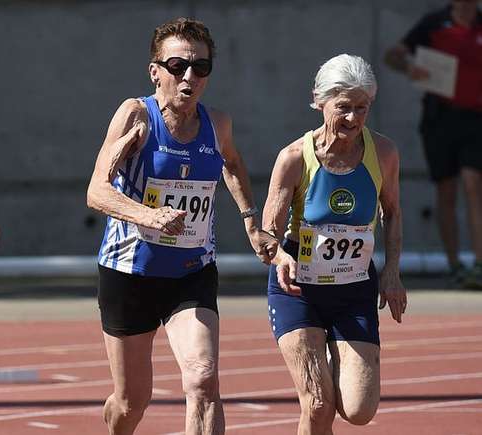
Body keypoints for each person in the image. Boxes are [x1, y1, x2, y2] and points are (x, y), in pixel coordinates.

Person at [86, 17, 275, 435]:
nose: (189, 76)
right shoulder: (135, 115)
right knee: (131, 401)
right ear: (155, 71)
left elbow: (234, 164)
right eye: (177, 66)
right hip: (129, 274)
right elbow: (96, 192)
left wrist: (250, 220)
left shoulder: (217, 124)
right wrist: (148, 215)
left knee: (204, 379)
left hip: (191, 273)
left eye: (201, 68)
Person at [262, 54, 407, 433]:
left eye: (362, 108)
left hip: (354, 289)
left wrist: (391, 272)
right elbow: (267, 233)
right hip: (299, 290)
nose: (353, 119)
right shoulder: (294, 159)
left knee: (359, 410)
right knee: (319, 402)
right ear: (318, 100)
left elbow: (392, 211)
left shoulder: (384, 154)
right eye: (343, 107)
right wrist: (279, 256)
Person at [384, 1, 482, 288]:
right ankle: (454, 265)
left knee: (473, 184)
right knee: (446, 189)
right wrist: (410, 68)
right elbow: (393, 56)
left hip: (476, 120)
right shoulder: (434, 23)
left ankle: (479, 263)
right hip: (440, 119)